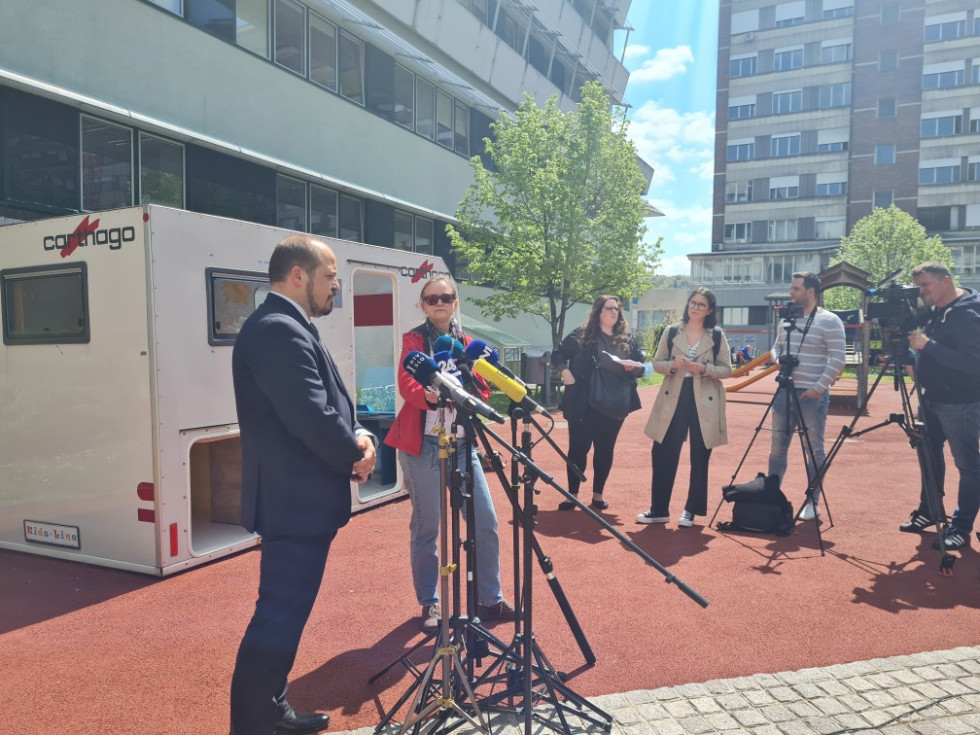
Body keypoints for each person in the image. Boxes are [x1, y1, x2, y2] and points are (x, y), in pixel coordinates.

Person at [230, 235, 377, 735]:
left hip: (299, 502)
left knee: (286, 616)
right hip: (293, 505)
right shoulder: (277, 329)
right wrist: (356, 455)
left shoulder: (288, 325)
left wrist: (357, 431)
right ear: (298, 275)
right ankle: (253, 725)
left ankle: (273, 711)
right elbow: (309, 417)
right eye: (330, 276)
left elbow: (327, 405)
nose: (336, 285)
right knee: (277, 616)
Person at [384, 276, 515, 632]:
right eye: (432, 298)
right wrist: (430, 394)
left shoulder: (468, 343)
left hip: (461, 443)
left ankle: (490, 599)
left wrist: (469, 383)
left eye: (446, 297)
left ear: (455, 302)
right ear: (423, 305)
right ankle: (430, 604)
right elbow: (407, 383)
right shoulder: (414, 339)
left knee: (484, 521)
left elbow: (484, 391)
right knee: (428, 527)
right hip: (422, 444)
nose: (439, 303)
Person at [901, 262, 980, 551]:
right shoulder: (938, 310)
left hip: (961, 403)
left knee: (968, 465)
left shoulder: (970, 314)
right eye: (919, 286)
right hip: (931, 398)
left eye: (926, 286)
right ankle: (930, 511)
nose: (921, 292)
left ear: (945, 281)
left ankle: (961, 527)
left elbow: (974, 363)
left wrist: (927, 346)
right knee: (928, 455)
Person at [637, 288, 732, 526]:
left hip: (705, 398)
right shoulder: (671, 332)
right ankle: (659, 509)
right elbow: (657, 363)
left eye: (701, 304)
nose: (695, 307)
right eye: (693, 303)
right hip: (674, 397)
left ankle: (691, 510)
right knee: (662, 452)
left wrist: (704, 369)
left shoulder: (717, 335)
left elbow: (727, 369)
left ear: (709, 310)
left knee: (700, 455)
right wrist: (672, 365)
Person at [552, 295, 645, 511]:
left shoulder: (627, 339)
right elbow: (557, 354)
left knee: (605, 450)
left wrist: (635, 368)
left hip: (615, 403)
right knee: (578, 449)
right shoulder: (582, 336)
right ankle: (572, 495)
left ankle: (597, 495)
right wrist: (566, 372)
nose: (614, 312)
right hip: (584, 402)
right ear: (598, 312)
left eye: (617, 309)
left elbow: (641, 365)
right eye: (609, 308)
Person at [767, 271, 846, 520]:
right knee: (777, 448)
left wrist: (818, 388)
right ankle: (772, 495)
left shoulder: (830, 320)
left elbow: (838, 358)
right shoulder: (787, 320)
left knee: (814, 450)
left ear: (810, 291)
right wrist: (777, 359)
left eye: (796, 289)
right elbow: (776, 347)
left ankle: (813, 501)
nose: (791, 293)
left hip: (811, 396)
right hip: (784, 391)